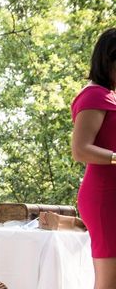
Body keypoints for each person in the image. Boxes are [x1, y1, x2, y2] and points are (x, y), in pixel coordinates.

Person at [71, 28, 116, 289]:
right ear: (109, 59)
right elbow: (80, 149)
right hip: (104, 197)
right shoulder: (94, 94)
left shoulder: (108, 96)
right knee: (109, 281)